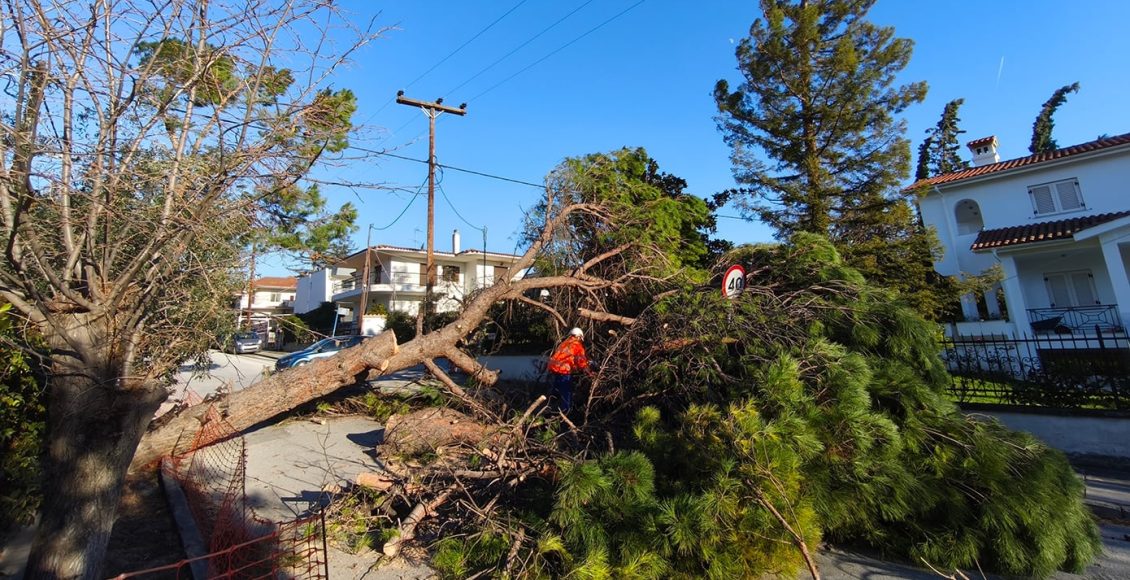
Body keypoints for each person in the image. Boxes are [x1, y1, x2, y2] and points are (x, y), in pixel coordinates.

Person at [547, 327, 591, 413]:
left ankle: (550, 408)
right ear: (578, 336)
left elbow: (566, 357)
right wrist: (588, 371)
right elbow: (580, 361)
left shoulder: (564, 343)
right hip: (564, 370)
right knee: (566, 392)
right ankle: (566, 411)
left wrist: (574, 367)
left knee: (556, 390)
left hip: (554, 368)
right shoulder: (577, 345)